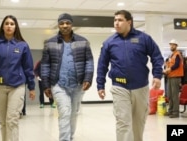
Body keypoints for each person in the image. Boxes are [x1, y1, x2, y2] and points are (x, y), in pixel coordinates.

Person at [96, 10, 164, 141]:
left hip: (141, 87)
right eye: (115, 20)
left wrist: (157, 75)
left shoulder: (144, 38)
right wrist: (100, 85)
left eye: (120, 20)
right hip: (119, 86)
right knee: (123, 123)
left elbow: (157, 57)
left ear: (129, 22)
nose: (116, 23)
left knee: (138, 123)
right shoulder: (109, 42)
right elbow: (102, 65)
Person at [41, 13, 94, 141]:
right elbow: (45, 66)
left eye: (67, 23)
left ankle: (70, 137)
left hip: (78, 84)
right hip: (59, 85)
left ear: (72, 24)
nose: (65, 25)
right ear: (58, 25)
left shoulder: (83, 41)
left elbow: (89, 62)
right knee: (65, 113)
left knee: (73, 114)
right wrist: (46, 85)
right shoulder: (50, 43)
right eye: (62, 23)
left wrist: (88, 78)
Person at [163, 39, 184, 118]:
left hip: (175, 78)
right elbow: (169, 65)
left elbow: (177, 65)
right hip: (170, 77)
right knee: (170, 95)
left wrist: (170, 69)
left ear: (176, 46)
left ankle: (175, 112)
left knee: (174, 96)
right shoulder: (171, 56)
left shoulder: (177, 54)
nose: (171, 46)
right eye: (170, 45)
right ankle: (170, 111)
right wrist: (166, 70)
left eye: (173, 45)